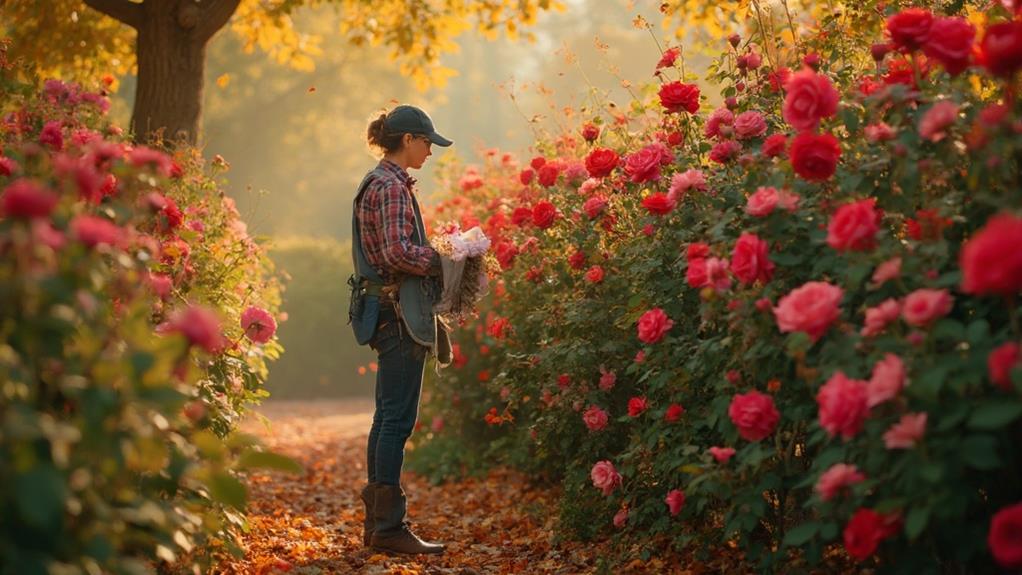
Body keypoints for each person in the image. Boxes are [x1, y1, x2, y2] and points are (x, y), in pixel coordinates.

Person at [352, 104, 452, 555]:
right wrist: (447, 260)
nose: (430, 151)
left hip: (382, 311)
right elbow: (396, 253)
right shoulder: (391, 187)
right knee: (397, 420)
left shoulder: (376, 181)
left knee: (385, 419)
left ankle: (378, 525)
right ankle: (389, 529)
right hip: (398, 313)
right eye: (427, 142)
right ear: (407, 141)